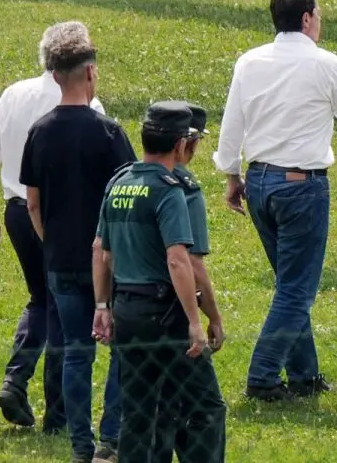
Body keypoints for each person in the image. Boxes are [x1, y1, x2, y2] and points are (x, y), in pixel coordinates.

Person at [214, 0, 337, 402]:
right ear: (308, 18)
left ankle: (304, 375)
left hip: (258, 184)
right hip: (301, 185)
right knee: (297, 289)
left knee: (288, 282)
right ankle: (262, 376)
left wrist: (231, 176)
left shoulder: (249, 61)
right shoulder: (324, 63)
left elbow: (232, 124)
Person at [0, 22, 104, 431]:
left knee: (41, 299)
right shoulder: (89, 109)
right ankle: (57, 412)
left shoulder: (14, 94)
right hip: (63, 220)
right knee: (63, 308)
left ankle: (16, 379)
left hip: (14, 212)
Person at [20, 23, 135, 462]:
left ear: (54, 76)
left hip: (61, 259)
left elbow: (33, 203)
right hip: (108, 259)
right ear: (90, 73)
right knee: (121, 348)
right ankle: (111, 437)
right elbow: (127, 197)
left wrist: (53, 240)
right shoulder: (108, 132)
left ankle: (80, 444)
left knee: (73, 351)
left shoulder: (40, 131)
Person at [91, 101, 211, 462]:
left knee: (138, 412)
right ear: (179, 145)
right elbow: (179, 260)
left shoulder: (119, 184)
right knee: (204, 404)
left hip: (126, 309)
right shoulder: (169, 189)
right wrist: (195, 321)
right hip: (163, 311)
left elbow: (102, 252)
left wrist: (102, 307)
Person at [153, 102, 228, 461]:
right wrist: (212, 317)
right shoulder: (184, 187)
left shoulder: (126, 180)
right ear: (187, 144)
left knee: (156, 408)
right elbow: (192, 264)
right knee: (207, 407)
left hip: (131, 311)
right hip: (174, 313)